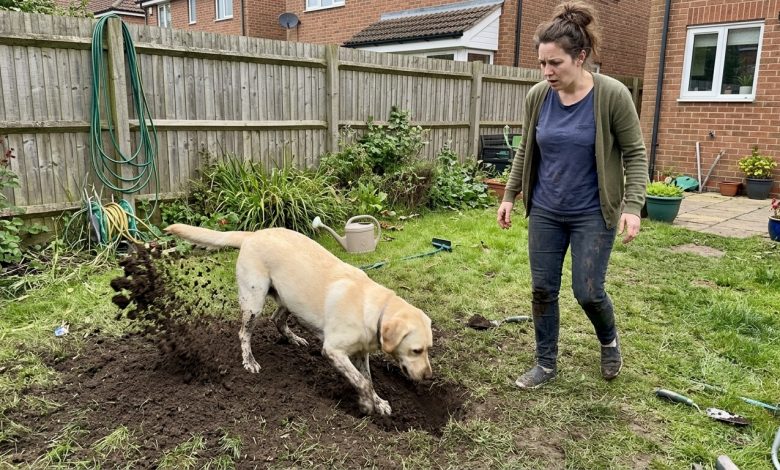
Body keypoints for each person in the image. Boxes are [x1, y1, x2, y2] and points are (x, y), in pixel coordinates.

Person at [496, 1, 647, 389]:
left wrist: (633, 205)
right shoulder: (538, 97)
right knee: (543, 288)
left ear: (580, 57)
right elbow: (526, 150)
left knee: (589, 291)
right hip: (546, 209)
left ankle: (609, 341)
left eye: (556, 63)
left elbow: (634, 152)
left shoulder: (611, 95)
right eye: (542, 63)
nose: (547, 72)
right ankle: (545, 363)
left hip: (592, 212)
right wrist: (510, 195)